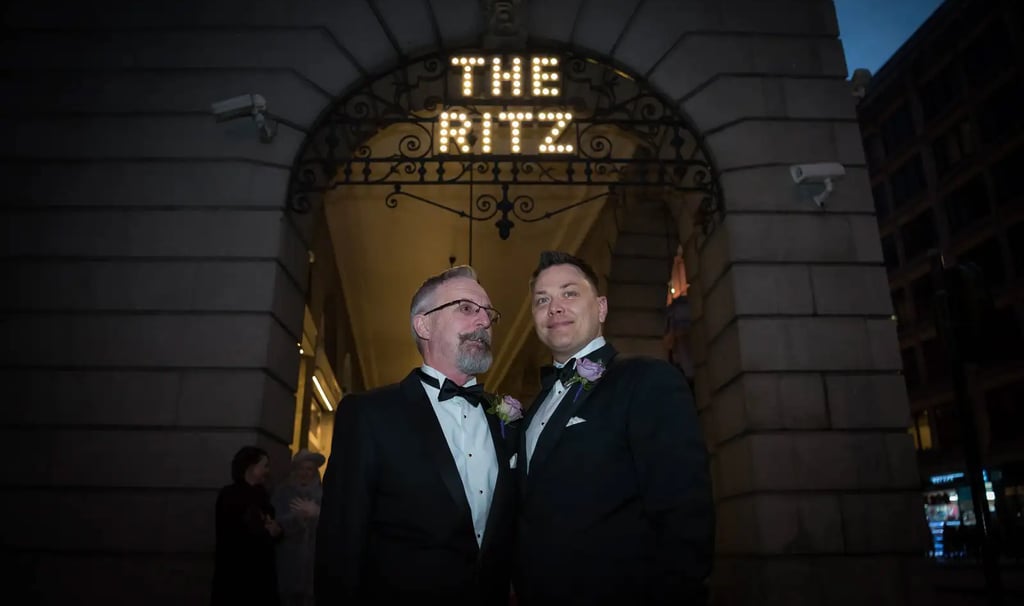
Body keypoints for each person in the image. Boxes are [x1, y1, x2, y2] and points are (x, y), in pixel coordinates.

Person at [515, 251, 714, 606]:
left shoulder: (647, 381)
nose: (554, 307)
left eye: (569, 293)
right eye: (542, 300)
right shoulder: (532, 411)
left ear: (602, 308)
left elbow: (684, 513)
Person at [315, 265, 516, 606]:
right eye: (466, 308)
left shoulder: (507, 421)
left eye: (488, 314)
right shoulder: (369, 415)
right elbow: (341, 541)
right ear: (423, 324)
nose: (483, 322)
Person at [212, 445, 282, 606]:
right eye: (265, 466)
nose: (268, 471)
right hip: (237, 576)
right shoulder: (230, 495)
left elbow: (270, 526)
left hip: (260, 575)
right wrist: (268, 532)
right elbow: (238, 534)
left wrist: (277, 531)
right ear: (251, 467)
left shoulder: (262, 494)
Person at [272, 449, 326, 606]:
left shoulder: (322, 495)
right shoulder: (282, 492)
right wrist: (297, 518)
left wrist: (316, 515)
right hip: (287, 560)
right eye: (302, 468)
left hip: (313, 563)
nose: (305, 473)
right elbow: (275, 522)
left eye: (309, 469)